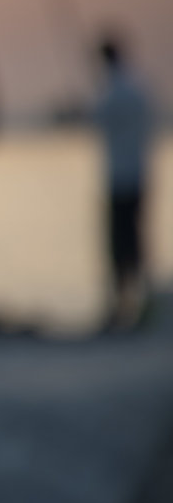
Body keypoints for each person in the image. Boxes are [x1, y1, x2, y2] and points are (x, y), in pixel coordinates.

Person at [94, 33, 155, 330]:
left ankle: (120, 306)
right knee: (137, 241)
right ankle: (140, 302)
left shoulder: (112, 93)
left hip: (119, 180)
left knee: (119, 245)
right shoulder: (139, 89)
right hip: (139, 177)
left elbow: (96, 119)